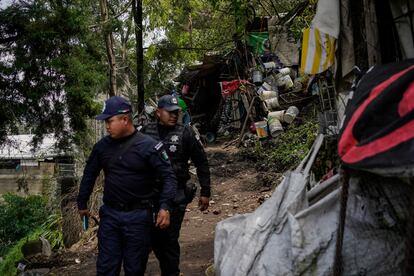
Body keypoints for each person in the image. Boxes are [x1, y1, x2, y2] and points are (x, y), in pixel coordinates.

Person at [77, 96, 177, 276]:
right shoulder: (102, 147)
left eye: (110, 121)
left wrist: (164, 207)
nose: (107, 126)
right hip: (110, 216)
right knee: (106, 268)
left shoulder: (149, 146)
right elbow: (89, 175)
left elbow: (169, 177)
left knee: (135, 268)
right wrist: (82, 203)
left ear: (125, 119)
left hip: (138, 217)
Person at [141, 94, 211, 276]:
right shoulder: (145, 132)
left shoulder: (185, 133)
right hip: (150, 195)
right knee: (153, 239)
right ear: (158, 112)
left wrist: (206, 191)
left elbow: (201, 162)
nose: (173, 115)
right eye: (169, 112)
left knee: (169, 239)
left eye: (176, 112)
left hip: (176, 194)